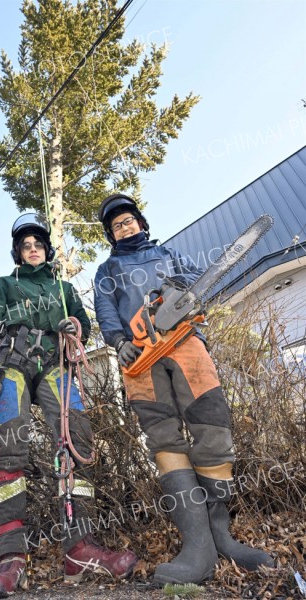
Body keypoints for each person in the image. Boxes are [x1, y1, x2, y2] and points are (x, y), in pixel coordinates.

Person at [94, 194, 274, 585]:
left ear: (141, 223)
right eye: (117, 225)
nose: (125, 227)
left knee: (212, 422)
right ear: (111, 234)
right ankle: (197, 547)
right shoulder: (107, 269)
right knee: (164, 440)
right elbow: (105, 307)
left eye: (129, 221)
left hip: (185, 341)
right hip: (139, 356)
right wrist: (116, 340)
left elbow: (198, 279)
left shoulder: (169, 253)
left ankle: (220, 535)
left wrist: (179, 289)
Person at [0, 213, 137, 599]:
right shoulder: (4, 285)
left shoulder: (62, 288)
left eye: (37, 244)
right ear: (17, 252)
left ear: (46, 249)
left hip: (56, 365)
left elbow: (84, 324)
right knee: (10, 447)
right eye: (25, 246)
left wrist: (77, 326)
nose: (32, 250)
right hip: (11, 366)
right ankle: (10, 558)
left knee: (78, 441)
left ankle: (79, 548)